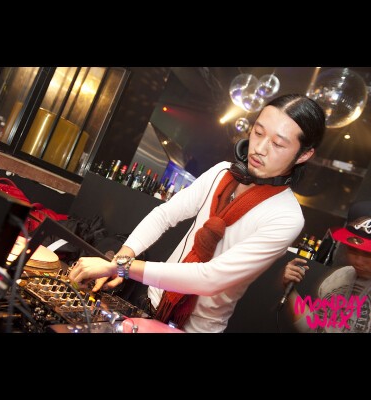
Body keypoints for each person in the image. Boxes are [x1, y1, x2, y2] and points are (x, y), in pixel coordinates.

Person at [69, 93, 326, 333]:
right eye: (258, 133)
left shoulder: (286, 217)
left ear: (304, 154)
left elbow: (210, 278)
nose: (260, 148)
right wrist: (122, 258)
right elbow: (164, 215)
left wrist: (120, 268)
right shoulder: (221, 172)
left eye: (278, 144)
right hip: (151, 302)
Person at [282, 200, 371, 333]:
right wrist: (290, 291)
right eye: (353, 250)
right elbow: (313, 328)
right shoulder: (339, 277)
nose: (358, 261)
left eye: (368, 253)